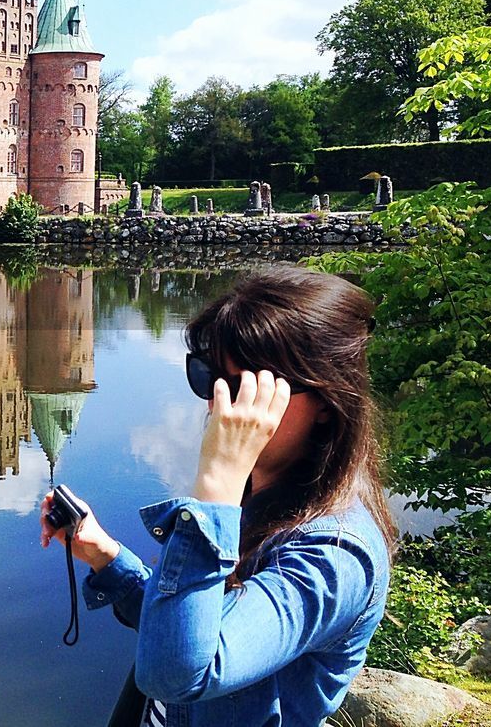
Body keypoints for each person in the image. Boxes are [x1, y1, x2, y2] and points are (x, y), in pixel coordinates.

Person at [42, 265, 395, 727]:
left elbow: (178, 672)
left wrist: (217, 485)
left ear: (328, 404)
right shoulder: (261, 500)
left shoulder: (333, 555)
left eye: (251, 388)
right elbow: (187, 626)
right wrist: (107, 558)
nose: (220, 404)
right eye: (210, 376)